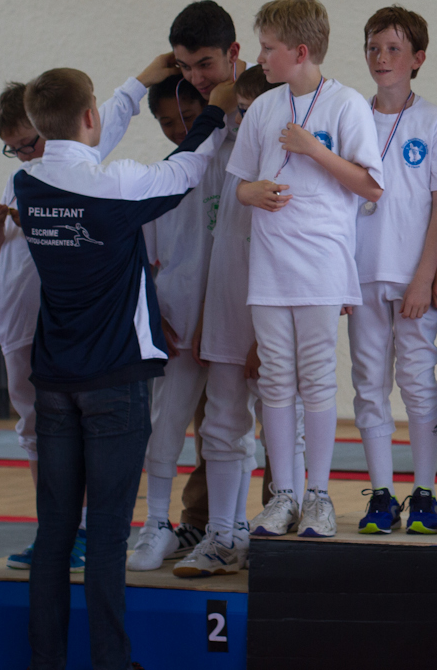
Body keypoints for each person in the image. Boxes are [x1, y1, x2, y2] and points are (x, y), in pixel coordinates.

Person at [15, 66, 233, 670]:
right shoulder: (115, 187)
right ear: (90, 116)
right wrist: (216, 110)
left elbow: (77, 147)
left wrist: (135, 86)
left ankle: (46, 663)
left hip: (54, 383)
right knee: (109, 534)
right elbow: (187, 168)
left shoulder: (25, 183)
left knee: (55, 533)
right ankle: (111, 662)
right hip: (114, 381)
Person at [0, 61, 183, 571]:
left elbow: (101, 121)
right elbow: (6, 262)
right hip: (24, 325)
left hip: (67, 331)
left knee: (88, 442)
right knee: (34, 431)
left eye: (30, 142)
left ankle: (84, 533)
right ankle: (56, 532)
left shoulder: (80, 171)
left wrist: (141, 80)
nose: (26, 154)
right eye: (15, 148)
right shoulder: (22, 181)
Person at [234, 0, 384, 542]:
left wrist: (313, 150)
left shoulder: (345, 104)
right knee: (275, 378)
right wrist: (251, 192)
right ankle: (284, 495)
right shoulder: (263, 107)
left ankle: (317, 493)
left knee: (316, 376)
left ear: (300, 52)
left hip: (321, 263)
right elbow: (240, 184)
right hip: (269, 265)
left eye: (268, 48)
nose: (260, 57)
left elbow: (371, 185)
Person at [349, 6, 437, 534]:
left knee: (417, 380)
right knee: (369, 383)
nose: (381, 57)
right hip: (361, 273)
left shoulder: (434, 122)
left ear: (418, 58)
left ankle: (426, 493)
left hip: (414, 275)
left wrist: (425, 276)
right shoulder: (351, 116)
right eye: (373, 47)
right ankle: (382, 495)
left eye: (393, 48)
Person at [177, 63, 281, 578]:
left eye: (252, 112)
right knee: (220, 423)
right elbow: (216, 239)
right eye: (239, 111)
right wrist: (205, 316)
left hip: (275, 310)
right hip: (223, 303)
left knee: (284, 423)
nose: (241, 121)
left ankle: (283, 533)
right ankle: (222, 536)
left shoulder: (294, 164)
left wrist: (265, 332)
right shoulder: (222, 155)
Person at [131, 76, 220, 570]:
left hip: (230, 320)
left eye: (187, 117)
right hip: (177, 322)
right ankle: (156, 524)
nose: (178, 128)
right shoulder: (159, 178)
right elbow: (141, 261)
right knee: (164, 425)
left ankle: (226, 528)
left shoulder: (233, 164)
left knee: (227, 431)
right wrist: (153, 315)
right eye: (167, 121)